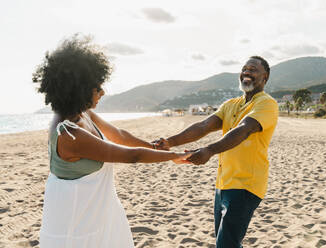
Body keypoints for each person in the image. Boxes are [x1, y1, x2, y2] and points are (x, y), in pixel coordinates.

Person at [33, 35, 190, 248]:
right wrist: (176, 156)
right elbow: (130, 156)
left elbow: (119, 134)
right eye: (97, 88)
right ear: (78, 88)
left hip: (98, 214)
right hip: (76, 226)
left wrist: (152, 146)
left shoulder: (82, 113)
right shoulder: (69, 134)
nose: (103, 92)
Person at [154, 56, 278, 248]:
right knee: (229, 242)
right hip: (223, 184)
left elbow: (244, 129)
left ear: (265, 77)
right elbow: (204, 125)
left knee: (226, 244)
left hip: (246, 185)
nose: (246, 72)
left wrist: (209, 150)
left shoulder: (267, 103)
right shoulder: (232, 104)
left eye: (253, 70)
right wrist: (170, 142)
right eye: (244, 69)